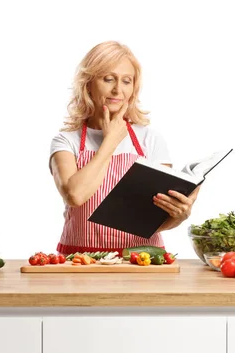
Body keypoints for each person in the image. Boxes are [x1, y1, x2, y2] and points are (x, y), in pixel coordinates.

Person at [49, 41, 200, 255]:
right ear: (88, 84)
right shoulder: (66, 141)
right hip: (81, 261)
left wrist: (179, 215)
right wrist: (110, 140)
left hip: (142, 259)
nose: (117, 90)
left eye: (126, 81)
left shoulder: (150, 139)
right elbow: (75, 195)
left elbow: (154, 220)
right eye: (108, 79)